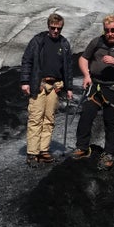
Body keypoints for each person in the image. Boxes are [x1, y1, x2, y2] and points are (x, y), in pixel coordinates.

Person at [72, 14, 114, 170]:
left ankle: (109, 154)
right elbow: (83, 58)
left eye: (113, 30)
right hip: (96, 86)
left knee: (111, 120)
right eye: (107, 30)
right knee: (86, 114)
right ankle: (82, 147)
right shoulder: (97, 42)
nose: (110, 33)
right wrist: (87, 75)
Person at [20, 13, 74, 164]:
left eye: (59, 28)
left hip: (55, 86)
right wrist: (25, 81)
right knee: (36, 118)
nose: (56, 31)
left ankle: (44, 150)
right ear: (48, 26)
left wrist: (68, 87)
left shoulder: (64, 44)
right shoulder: (38, 41)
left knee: (49, 119)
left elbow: (68, 68)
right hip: (39, 84)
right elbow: (27, 61)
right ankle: (32, 152)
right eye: (53, 28)